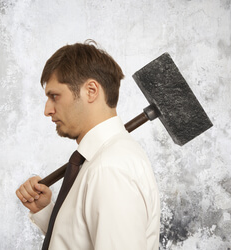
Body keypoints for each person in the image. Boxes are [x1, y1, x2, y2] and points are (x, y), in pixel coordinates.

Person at [16, 41, 160, 249]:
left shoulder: (109, 169)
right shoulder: (99, 161)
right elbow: (82, 239)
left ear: (91, 91)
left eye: (54, 96)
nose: (47, 110)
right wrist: (46, 211)